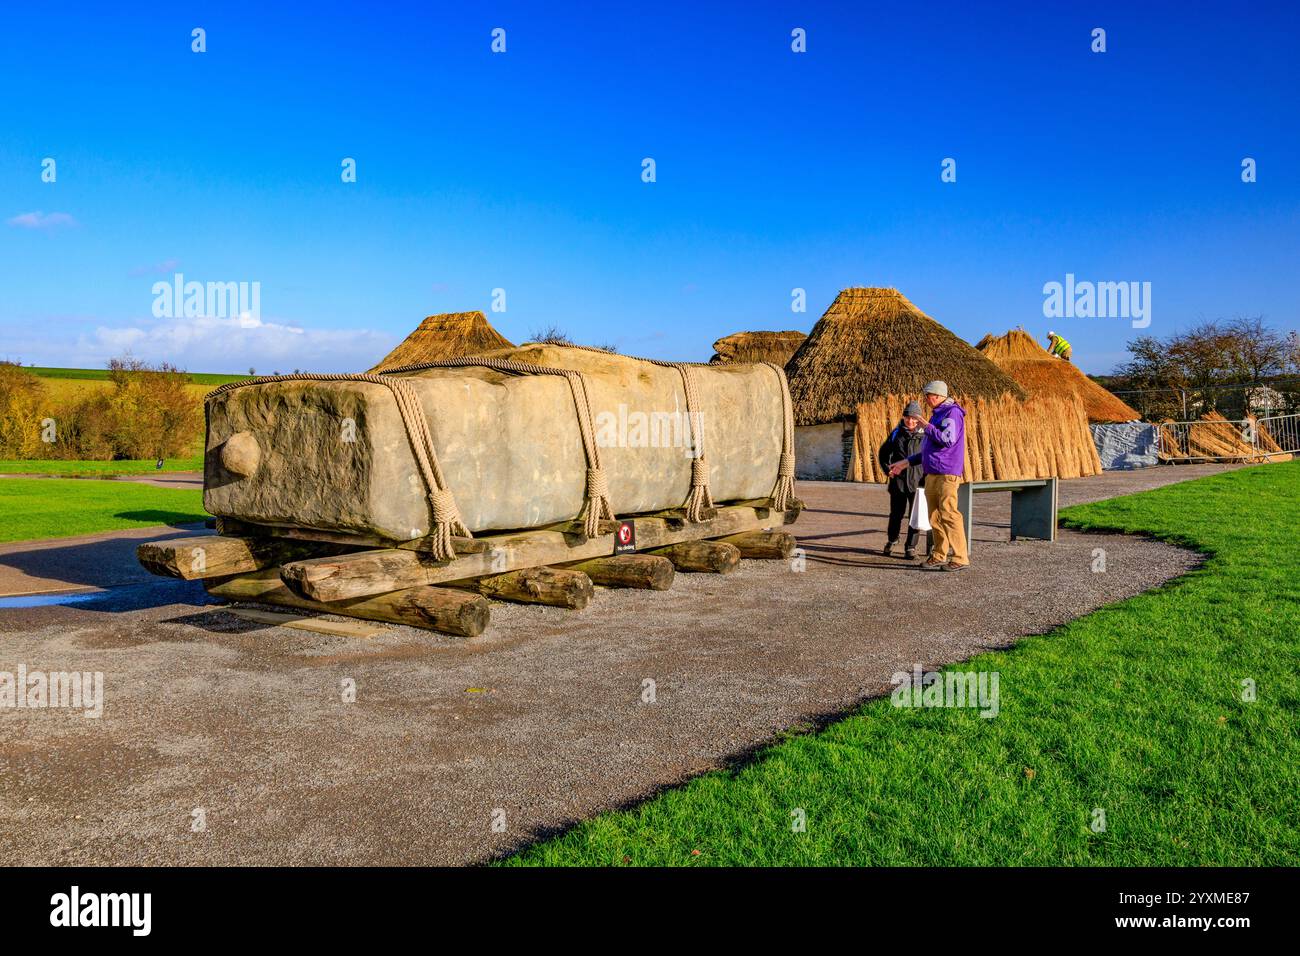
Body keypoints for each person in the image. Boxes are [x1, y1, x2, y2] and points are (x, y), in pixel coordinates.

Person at [887, 380, 969, 571]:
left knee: (949, 513)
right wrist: (905, 463)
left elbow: (948, 440)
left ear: (938, 396)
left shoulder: (952, 413)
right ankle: (939, 554)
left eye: (928, 395)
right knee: (934, 516)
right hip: (932, 472)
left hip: (947, 472)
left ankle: (960, 557)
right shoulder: (936, 415)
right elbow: (927, 449)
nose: (926, 399)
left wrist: (927, 425)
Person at [877, 401, 924, 558]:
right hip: (898, 481)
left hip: (918, 481)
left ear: (919, 419)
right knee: (896, 514)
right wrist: (887, 470)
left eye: (913, 418)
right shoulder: (896, 433)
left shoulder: (925, 436)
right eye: (907, 418)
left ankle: (910, 547)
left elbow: (930, 457)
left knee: (915, 516)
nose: (910, 421)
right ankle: (892, 540)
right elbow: (883, 454)